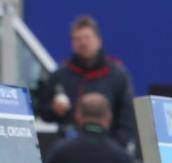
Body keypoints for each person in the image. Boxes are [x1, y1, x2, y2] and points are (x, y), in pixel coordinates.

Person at [33, 16, 135, 148]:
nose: (82, 43)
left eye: (87, 38)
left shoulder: (118, 75)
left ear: (99, 41)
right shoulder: (61, 74)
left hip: (107, 148)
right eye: (77, 39)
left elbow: (127, 118)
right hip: (69, 149)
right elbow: (42, 109)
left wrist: (116, 147)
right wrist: (54, 110)